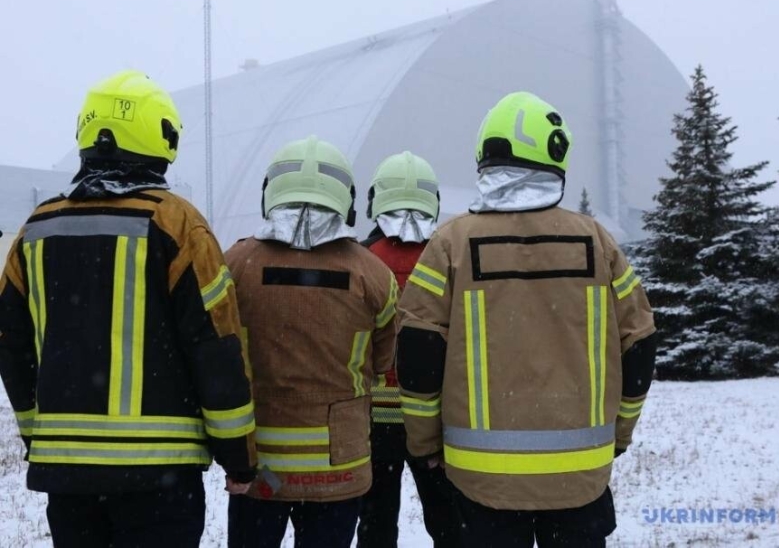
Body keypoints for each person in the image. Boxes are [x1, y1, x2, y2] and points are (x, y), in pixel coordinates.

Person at [0, 70, 258, 548]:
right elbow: (216, 343)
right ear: (161, 137)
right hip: (160, 480)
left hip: (69, 480)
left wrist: (40, 437)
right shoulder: (177, 224)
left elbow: (10, 344)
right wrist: (238, 456)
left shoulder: (35, 231)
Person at [396, 91, 657, 548]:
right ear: (555, 155)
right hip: (580, 479)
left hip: (479, 482)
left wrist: (424, 444)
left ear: (486, 156)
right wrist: (619, 435)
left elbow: (418, 356)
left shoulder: (450, 244)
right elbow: (640, 344)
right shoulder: (597, 242)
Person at [225, 136, 398, 548]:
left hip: (259, 464)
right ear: (346, 199)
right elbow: (382, 359)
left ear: (270, 193)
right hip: (341, 466)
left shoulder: (236, 264)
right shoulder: (374, 275)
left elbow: (220, 353)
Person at [356, 151, 460, 548]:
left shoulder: (361, 260)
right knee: (448, 517)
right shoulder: (448, 258)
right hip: (433, 416)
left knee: (376, 522)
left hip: (373, 418)